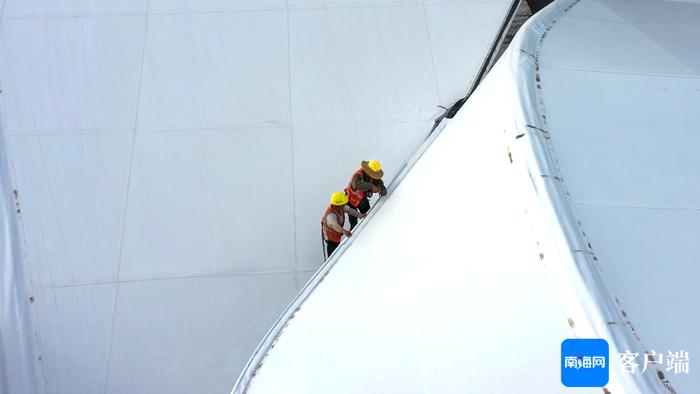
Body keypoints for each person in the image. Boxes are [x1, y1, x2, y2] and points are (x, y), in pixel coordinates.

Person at [344, 160, 388, 229]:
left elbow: (379, 181)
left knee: (369, 217)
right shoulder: (358, 174)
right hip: (350, 201)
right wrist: (371, 186)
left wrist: (382, 188)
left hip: (362, 200)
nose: (374, 176)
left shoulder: (372, 176)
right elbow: (356, 185)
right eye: (372, 174)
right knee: (354, 224)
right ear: (367, 171)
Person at [321, 192, 364, 259]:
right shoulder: (331, 215)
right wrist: (344, 231)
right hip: (331, 240)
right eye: (343, 204)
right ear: (337, 205)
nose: (344, 204)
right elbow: (335, 225)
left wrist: (361, 216)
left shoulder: (340, 207)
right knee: (332, 257)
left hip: (336, 237)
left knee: (337, 252)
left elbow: (350, 210)